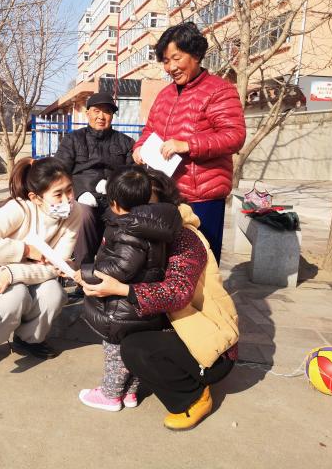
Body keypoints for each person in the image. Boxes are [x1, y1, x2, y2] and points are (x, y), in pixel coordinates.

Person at [81, 170, 239, 430]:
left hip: (212, 347)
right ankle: (128, 389)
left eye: (146, 205)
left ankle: (193, 397)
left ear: (166, 206)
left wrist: (123, 290)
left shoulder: (185, 238)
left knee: (135, 348)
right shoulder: (139, 233)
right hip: (177, 328)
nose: (139, 213)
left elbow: (177, 292)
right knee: (127, 328)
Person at [132, 22, 246, 264]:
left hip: (202, 196)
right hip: (166, 193)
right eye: (166, 61)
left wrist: (188, 144)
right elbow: (150, 130)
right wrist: (139, 147)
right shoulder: (165, 94)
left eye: (177, 58)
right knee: (167, 263)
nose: (171, 67)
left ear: (195, 54)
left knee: (201, 263)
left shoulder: (219, 90)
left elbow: (234, 135)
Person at [0, 157, 82, 373]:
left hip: (33, 275)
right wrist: (24, 250)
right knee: (16, 296)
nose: (67, 199)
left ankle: (28, 339)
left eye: (69, 190)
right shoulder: (20, 209)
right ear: (36, 198)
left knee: (54, 294)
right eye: (58, 194)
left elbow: (57, 265)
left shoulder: (75, 212)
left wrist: (13, 272)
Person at [77, 166, 182, 412]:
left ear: (114, 202)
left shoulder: (129, 229)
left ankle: (111, 395)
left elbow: (120, 267)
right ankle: (130, 393)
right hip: (143, 303)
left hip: (122, 306)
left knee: (115, 351)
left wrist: (86, 271)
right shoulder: (154, 224)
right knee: (133, 350)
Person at [55, 92, 135, 275]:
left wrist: (114, 186)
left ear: (112, 116)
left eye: (107, 112)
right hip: (82, 197)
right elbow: (59, 172)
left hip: (114, 197)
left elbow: (131, 174)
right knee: (83, 215)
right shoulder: (73, 139)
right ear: (87, 113)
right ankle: (84, 273)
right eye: (96, 111)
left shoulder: (125, 142)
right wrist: (80, 191)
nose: (101, 116)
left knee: (126, 218)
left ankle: (115, 273)